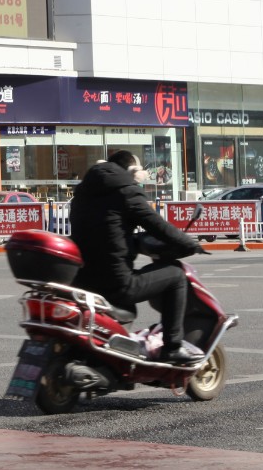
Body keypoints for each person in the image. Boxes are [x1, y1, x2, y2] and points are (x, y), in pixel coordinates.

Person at [68, 149, 205, 363]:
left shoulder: (83, 193)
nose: (144, 174)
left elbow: (105, 231)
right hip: (116, 283)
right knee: (176, 276)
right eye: (141, 170)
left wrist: (132, 243)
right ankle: (172, 347)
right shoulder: (126, 191)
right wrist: (190, 244)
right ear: (131, 170)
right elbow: (157, 226)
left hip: (82, 282)